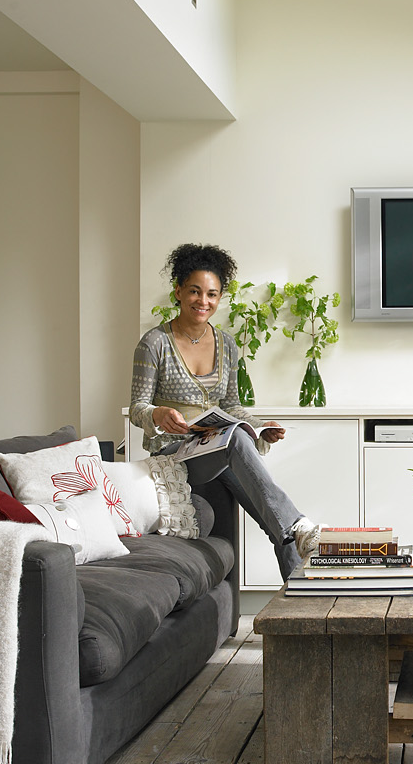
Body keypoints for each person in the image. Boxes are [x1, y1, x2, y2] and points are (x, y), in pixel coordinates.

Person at [130, 243, 319, 579]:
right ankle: (299, 524)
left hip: (216, 445)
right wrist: (159, 414)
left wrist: (260, 428)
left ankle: (298, 605)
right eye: (195, 291)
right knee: (233, 440)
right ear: (178, 291)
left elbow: (231, 408)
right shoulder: (154, 343)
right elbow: (137, 407)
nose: (203, 301)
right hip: (175, 452)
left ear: (219, 298)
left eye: (212, 294)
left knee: (275, 523)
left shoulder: (227, 344)